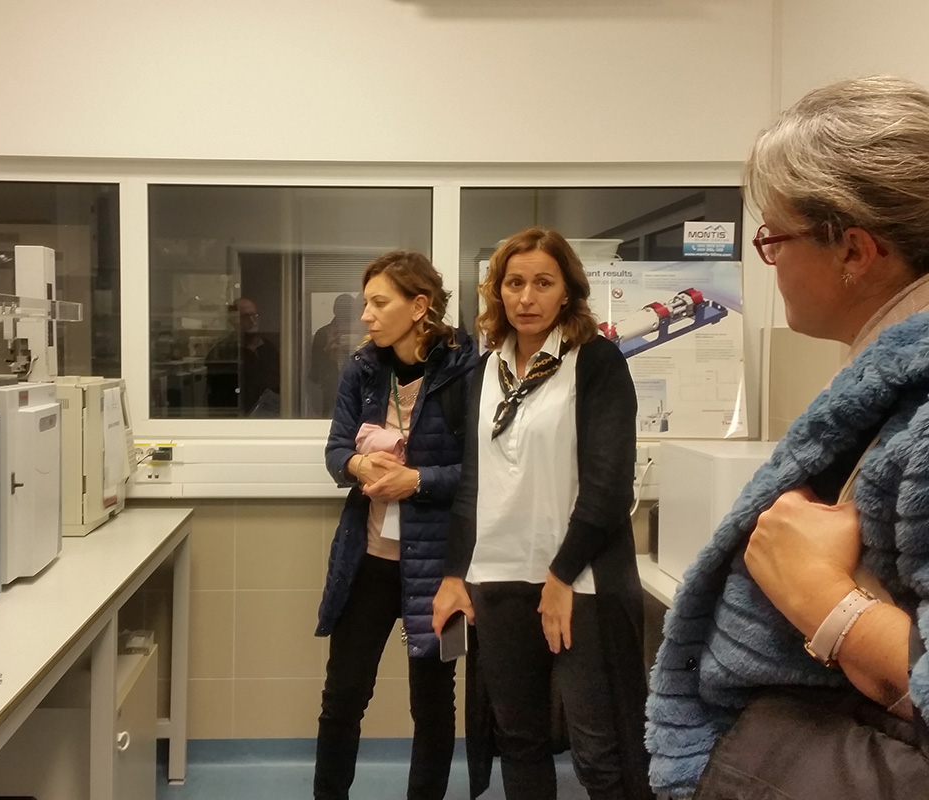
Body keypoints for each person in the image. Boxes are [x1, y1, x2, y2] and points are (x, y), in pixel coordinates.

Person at [647, 76, 929, 799]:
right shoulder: (888, 380)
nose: (769, 264)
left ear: (854, 251)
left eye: (774, 239)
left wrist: (826, 602)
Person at [432, 227, 652, 800]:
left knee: (599, 750)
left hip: (580, 582)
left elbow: (608, 487)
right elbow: (473, 484)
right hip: (498, 578)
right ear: (498, 292)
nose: (526, 297)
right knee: (519, 740)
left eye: (543, 283)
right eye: (514, 283)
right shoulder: (486, 371)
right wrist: (454, 575)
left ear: (567, 292)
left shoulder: (596, 362)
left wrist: (559, 577)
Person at [317, 250, 478, 800]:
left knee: (432, 705)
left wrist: (418, 481)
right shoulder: (363, 369)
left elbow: (484, 472)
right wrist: (357, 465)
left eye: (378, 303)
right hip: (367, 560)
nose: (365, 315)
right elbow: (335, 450)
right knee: (342, 698)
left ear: (419, 306)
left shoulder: (466, 371)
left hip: (439, 567)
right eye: (366, 303)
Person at [204, 297, 281, 416]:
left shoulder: (269, 348)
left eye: (255, 315)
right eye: (246, 316)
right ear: (233, 321)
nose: (252, 321)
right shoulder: (221, 353)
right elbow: (218, 401)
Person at [309, 292, 364, 416]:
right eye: (342, 309)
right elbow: (316, 372)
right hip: (329, 389)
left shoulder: (362, 332)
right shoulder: (323, 333)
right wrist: (328, 352)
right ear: (335, 311)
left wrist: (358, 344)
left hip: (358, 388)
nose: (345, 314)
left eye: (348, 310)